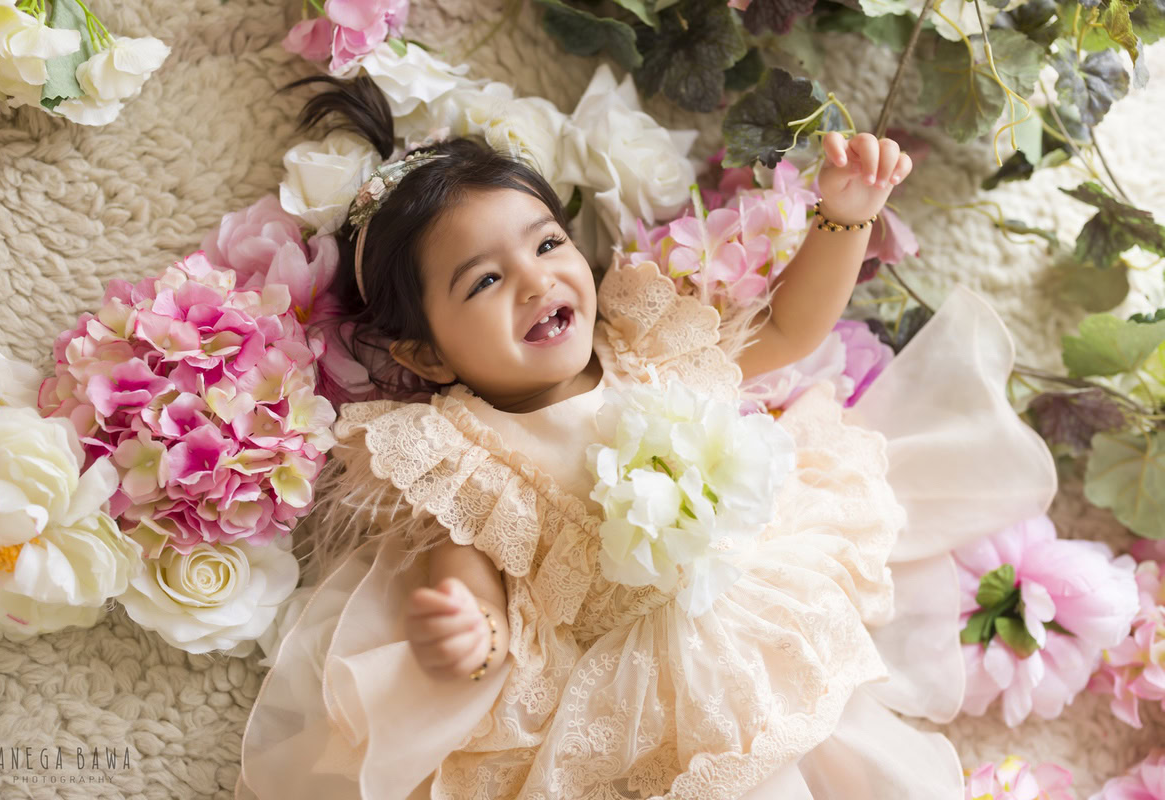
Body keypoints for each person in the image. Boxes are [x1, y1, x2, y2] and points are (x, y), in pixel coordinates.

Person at [236, 74, 1057, 799]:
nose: (535, 280)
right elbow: (472, 581)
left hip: (758, 607)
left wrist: (844, 218)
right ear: (423, 353)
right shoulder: (466, 455)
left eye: (548, 243)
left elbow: (791, 330)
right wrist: (469, 633)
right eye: (485, 281)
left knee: (850, 754)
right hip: (648, 690)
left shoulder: (646, 344)